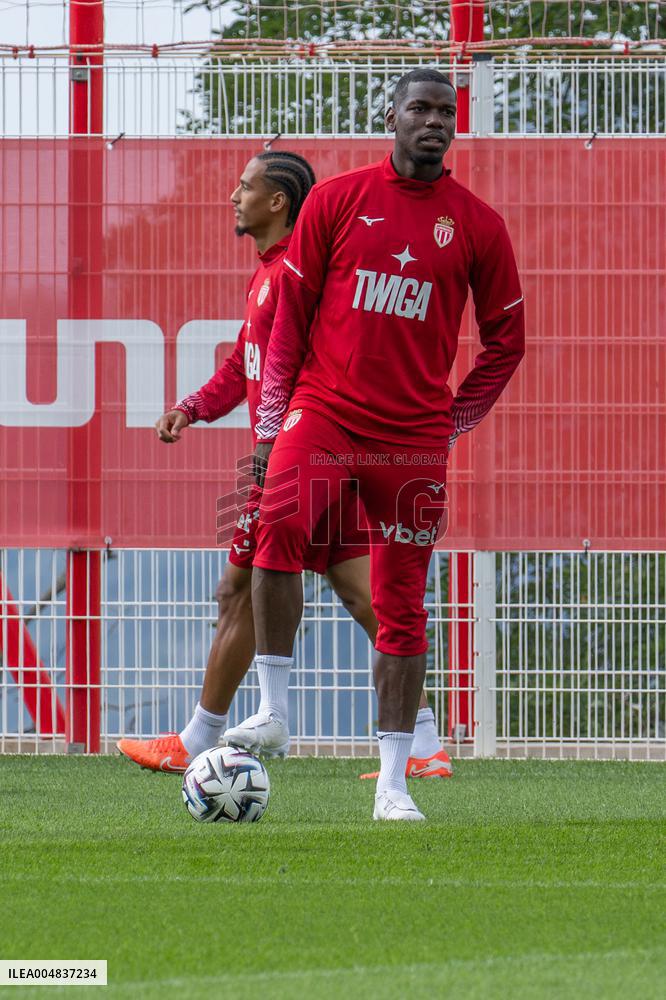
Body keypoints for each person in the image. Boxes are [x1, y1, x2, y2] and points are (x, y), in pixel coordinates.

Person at [223, 68, 525, 820]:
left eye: (444, 113)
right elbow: (291, 316)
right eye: (419, 109)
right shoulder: (337, 199)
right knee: (277, 524)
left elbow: (507, 343)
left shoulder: (478, 225)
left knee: (401, 602)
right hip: (323, 411)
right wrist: (270, 425)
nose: (433, 123)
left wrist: (451, 421)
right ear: (389, 115)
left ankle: (393, 784)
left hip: (414, 437)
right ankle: (274, 709)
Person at [116, 150, 451, 778]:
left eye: (245, 187)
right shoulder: (268, 273)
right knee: (358, 593)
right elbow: (243, 368)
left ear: (277, 203)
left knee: (238, 588)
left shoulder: (299, 272)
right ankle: (426, 743)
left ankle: (197, 738)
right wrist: (191, 407)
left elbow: (298, 365)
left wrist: (277, 443)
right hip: (320, 450)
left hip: (301, 450)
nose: (232, 196)